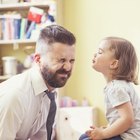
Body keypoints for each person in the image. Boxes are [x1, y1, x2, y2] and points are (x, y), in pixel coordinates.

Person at [0, 25, 76, 140]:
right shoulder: (15, 96)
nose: (68, 67)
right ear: (38, 59)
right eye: (61, 60)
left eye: (71, 61)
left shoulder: (49, 92)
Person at [79, 37, 140, 140]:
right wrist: (107, 128)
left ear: (113, 64)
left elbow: (127, 119)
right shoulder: (120, 85)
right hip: (126, 133)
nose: (95, 54)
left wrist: (103, 134)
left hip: (128, 137)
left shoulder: (116, 88)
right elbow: (119, 117)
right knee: (83, 137)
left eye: (100, 52)